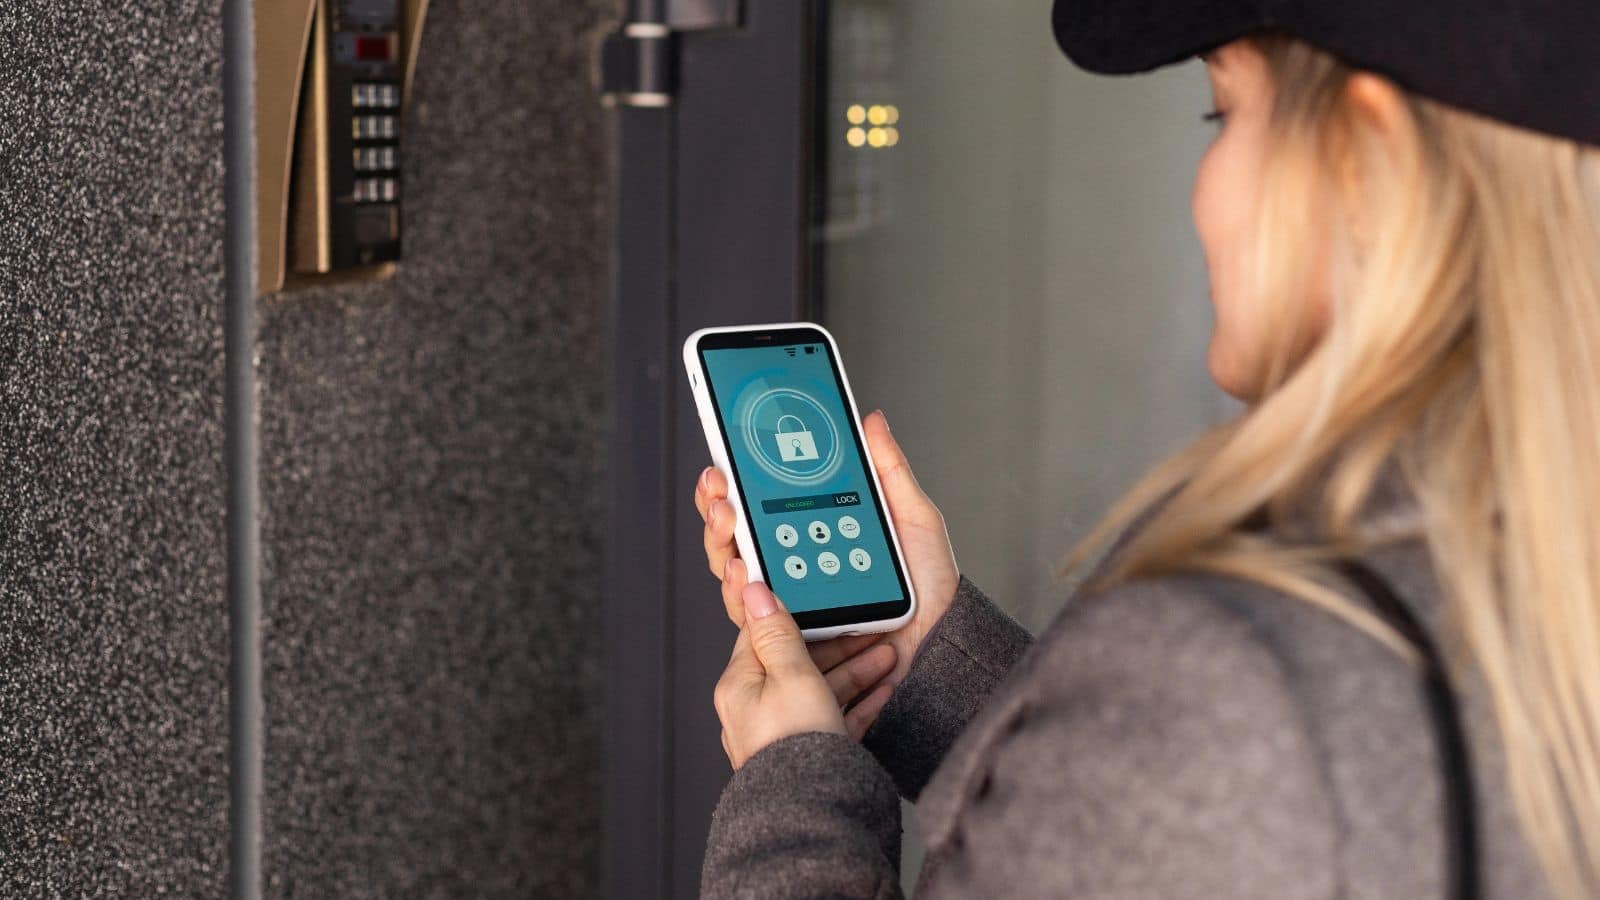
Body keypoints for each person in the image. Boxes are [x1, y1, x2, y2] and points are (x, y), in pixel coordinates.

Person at [691, 1, 1600, 896]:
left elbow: (1219, 773)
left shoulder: (1230, 657)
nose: (1204, 178)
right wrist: (932, 661)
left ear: (1363, 159)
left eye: (1226, 112)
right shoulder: (1533, 576)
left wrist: (791, 787)